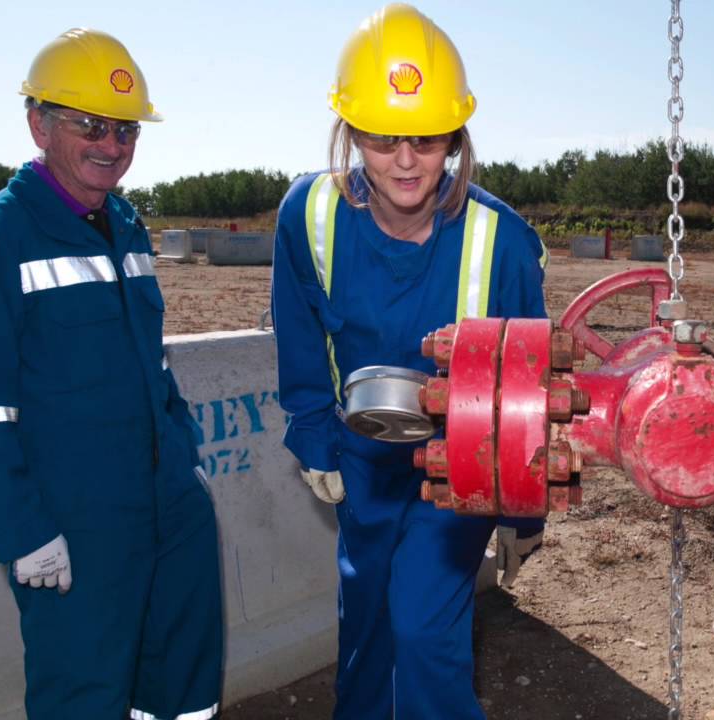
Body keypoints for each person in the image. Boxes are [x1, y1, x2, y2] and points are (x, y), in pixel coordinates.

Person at [0, 28, 223, 720]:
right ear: (39, 123)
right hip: (76, 530)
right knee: (83, 698)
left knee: (181, 689)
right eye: (90, 125)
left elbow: (154, 367)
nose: (112, 145)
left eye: (125, 130)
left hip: (170, 510)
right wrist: (23, 531)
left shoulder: (125, 225)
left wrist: (186, 466)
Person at [271, 4, 548, 717]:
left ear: (453, 138)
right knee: (364, 616)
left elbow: (529, 386)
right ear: (351, 130)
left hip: (459, 466)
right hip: (361, 458)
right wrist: (311, 434)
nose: (404, 161)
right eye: (385, 137)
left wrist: (524, 510)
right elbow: (299, 330)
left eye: (425, 140)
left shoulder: (501, 241)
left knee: (423, 627)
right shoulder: (309, 215)